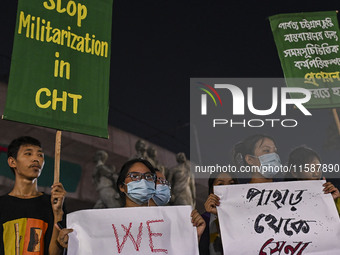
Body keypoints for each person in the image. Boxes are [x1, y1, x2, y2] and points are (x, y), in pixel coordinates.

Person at [0, 136, 66, 255]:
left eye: (40, 155)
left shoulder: (54, 203)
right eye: (28, 154)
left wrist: (58, 214)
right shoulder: (2, 205)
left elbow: (55, 253)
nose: (36, 159)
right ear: (12, 162)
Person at [199, 172, 238, 255]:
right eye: (220, 184)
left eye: (231, 184)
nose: (226, 188)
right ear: (211, 192)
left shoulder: (245, 217)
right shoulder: (202, 221)